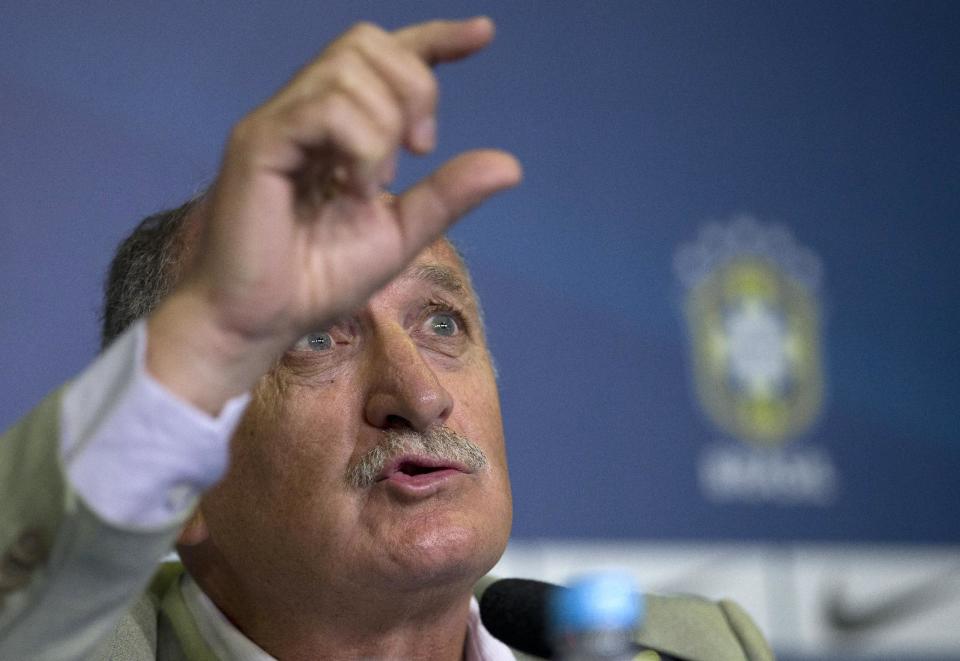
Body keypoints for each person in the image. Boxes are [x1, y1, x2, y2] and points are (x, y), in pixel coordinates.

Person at [0, 16, 773, 661]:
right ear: (183, 485)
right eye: (311, 339)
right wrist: (209, 330)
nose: (419, 395)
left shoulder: (693, 648)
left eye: (441, 324)